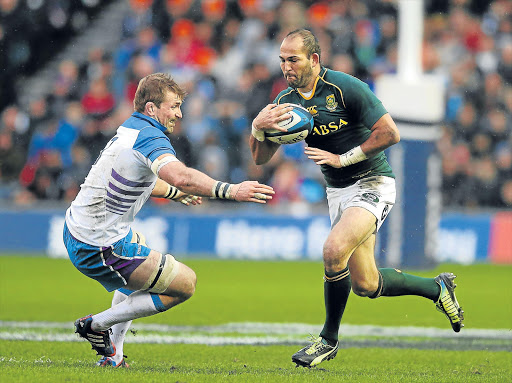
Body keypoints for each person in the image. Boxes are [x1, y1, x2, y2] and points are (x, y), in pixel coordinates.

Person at [249, 29, 464, 368]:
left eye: (293, 59)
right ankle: (437, 289)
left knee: (333, 251)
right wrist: (257, 128)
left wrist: (342, 158)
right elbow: (261, 158)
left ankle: (327, 340)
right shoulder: (284, 102)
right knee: (366, 283)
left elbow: (390, 132)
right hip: (338, 192)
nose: (286, 66)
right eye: (282, 60)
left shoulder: (346, 88)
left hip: (372, 182)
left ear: (314, 59)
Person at [64, 73, 274, 368]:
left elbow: (142, 179)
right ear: (152, 108)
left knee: (138, 250)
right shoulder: (150, 136)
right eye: (173, 106)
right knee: (184, 284)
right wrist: (232, 190)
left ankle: (115, 355)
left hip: (79, 229)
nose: (179, 113)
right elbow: (182, 176)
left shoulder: (130, 129)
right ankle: (96, 325)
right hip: (99, 244)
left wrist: (174, 193)